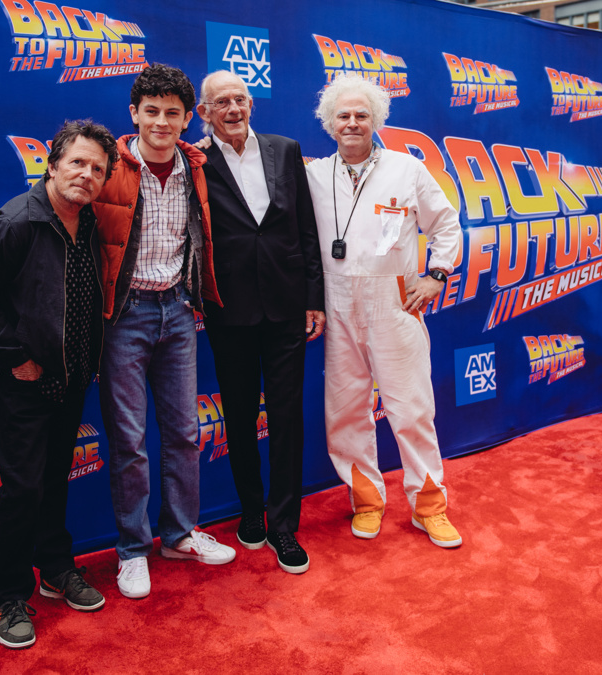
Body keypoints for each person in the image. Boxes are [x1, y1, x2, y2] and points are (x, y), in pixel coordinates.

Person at [0, 119, 117, 648]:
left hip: (72, 378)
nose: (87, 175)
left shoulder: (89, 222)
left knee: (53, 479)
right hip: (25, 381)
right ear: (52, 165)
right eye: (77, 163)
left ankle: (55, 568)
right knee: (23, 487)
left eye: (97, 168)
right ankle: (7, 594)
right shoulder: (18, 222)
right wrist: (17, 358)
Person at [90, 64, 235, 601]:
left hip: (177, 311)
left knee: (183, 432)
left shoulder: (194, 165)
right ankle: (133, 549)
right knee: (129, 441)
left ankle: (178, 534)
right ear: (134, 114)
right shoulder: (106, 165)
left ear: (187, 117)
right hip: (123, 317)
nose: (161, 121)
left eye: (173, 113)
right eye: (151, 111)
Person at [306, 75, 465, 548]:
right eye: (343, 115)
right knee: (346, 411)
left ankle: (429, 506)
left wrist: (436, 274)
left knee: (412, 408)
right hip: (336, 304)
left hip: (393, 303)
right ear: (329, 122)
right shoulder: (313, 175)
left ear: (376, 120)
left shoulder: (406, 169)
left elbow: (447, 224)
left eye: (361, 115)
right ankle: (368, 502)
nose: (352, 123)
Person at [194, 71, 324, 574]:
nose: (234, 108)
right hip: (229, 310)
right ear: (204, 112)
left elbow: (306, 228)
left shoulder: (285, 149)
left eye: (241, 99)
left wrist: (313, 297)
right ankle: (251, 510)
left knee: (288, 416)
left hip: (288, 305)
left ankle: (284, 525)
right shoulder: (195, 160)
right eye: (221, 102)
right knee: (240, 415)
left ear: (252, 104)